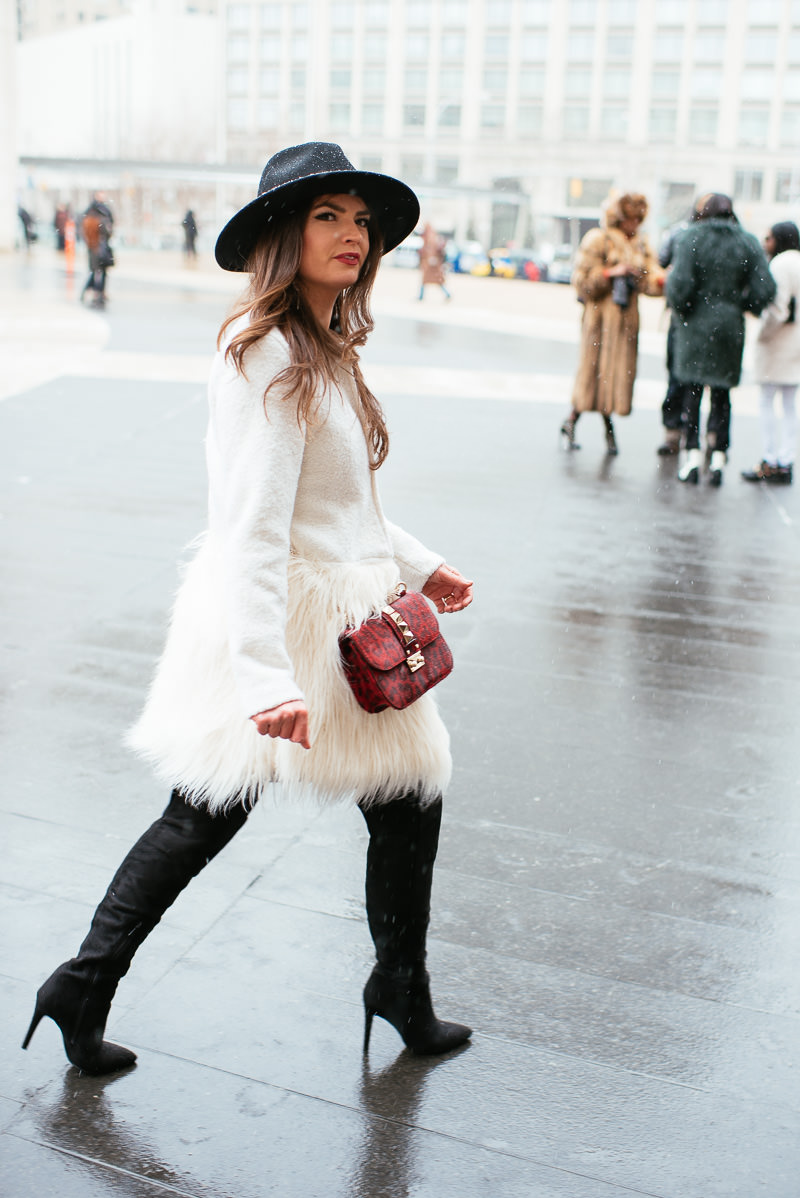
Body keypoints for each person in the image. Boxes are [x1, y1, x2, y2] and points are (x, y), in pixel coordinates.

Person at [22, 142, 474, 1076]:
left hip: (342, 606)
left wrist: (422, 564)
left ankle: (399, 986)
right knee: (207, 810)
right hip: (287, 618)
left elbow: (342, 504)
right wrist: (264, 674)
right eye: (327, 215)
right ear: (282, 232)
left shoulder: (323, 344)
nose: (353, 234)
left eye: (361, 219)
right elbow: (255, 527)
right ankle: (84, 981)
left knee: (402, 802)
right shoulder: (267, 350)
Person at [665, 193, 775, 487]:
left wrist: (686, 310)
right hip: (730, 327)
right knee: (722, 395)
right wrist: (742, 304)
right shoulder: (748, 242)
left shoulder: (691, 239)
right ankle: (718, 459)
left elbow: (678, 287)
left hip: (696, 326)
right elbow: (765, 289)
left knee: (692, 390)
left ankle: (690, 458)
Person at [560, 192, 663, 455]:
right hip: (599, 319)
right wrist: (610, 273)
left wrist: (658, 281)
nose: (634, 225)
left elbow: (652, 279)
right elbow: (582, 280)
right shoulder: (599, 239)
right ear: (620, 218)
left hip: (626, 321)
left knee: (615, 374)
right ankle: (574, 421)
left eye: (638, 220)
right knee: (592, 371)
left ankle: (604, 427)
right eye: (630, 219)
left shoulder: (641, 244)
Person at [741, 221, 800, 485]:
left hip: (778, 343)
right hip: (796, 344)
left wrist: (762, 334)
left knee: (766, 402)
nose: (766, 242)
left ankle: (770, 459)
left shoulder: (780, 264)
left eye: (769, 237)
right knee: (789, 405)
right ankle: (786, 461)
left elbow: (779, 309)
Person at [655, 214, 692, 456]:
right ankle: (699, 437)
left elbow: (662, 260)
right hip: (698, 320)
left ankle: (675, 434)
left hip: (682, 317)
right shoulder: (683, 234)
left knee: (677, 377)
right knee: (706, 386)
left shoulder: (681, 233)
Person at [81, 192, 115, 308]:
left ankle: (95, 292)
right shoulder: (100, 214)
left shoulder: (91, 213)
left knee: (97, 271)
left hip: (97, 246)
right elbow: (107, 230)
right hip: (98, 246)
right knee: (99, 271)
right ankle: (97, 292)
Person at [418, 223, 451, 301]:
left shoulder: (431, 238)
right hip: (430, 264)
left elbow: (432, 251)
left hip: (432, 265)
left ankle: (447, 294)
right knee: (430, 280)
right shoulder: (428, 238)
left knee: (436, 280)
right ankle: (421, 296)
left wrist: (431, 258)